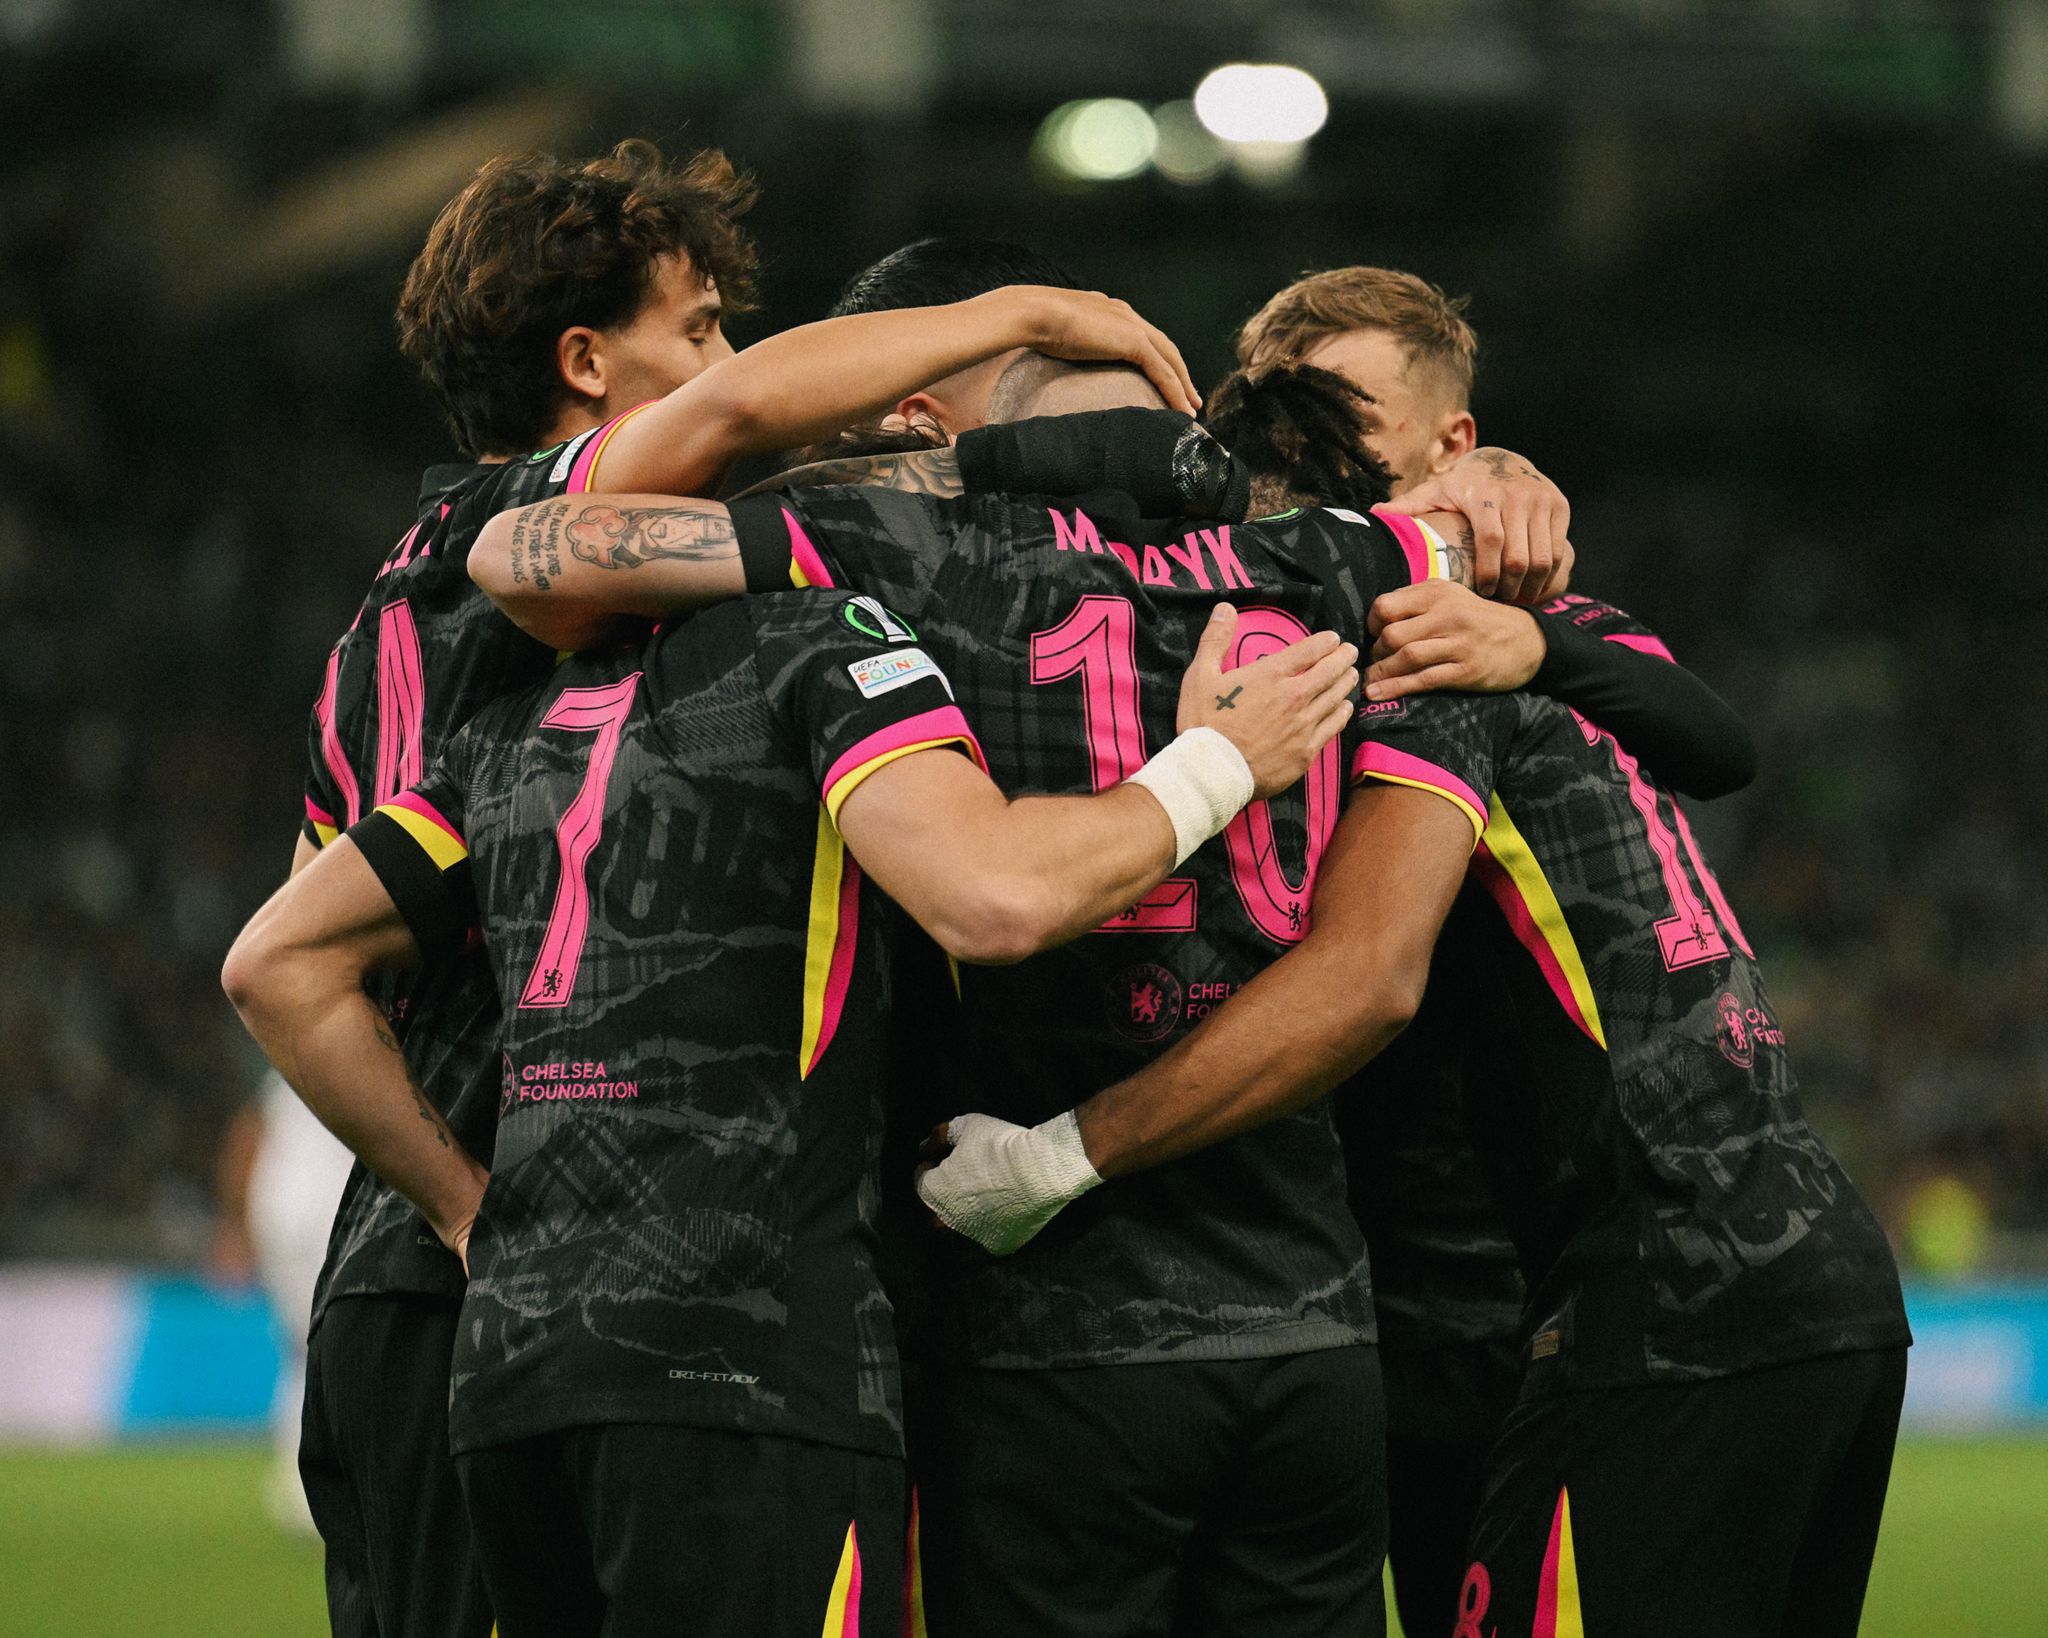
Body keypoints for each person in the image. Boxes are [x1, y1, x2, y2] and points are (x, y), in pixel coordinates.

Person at [467, 337, 1755, 1635]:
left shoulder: (915, 548)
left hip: (1053, 1324)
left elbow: (533, 549)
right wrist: (1506, 478)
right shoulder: (1330, 557)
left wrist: (956, 461)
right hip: (1305, 1322)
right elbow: (1606, 650)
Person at [290, 139, 1202, 1638]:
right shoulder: (515, 543)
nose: (733, 360)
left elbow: (299, 962)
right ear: (585, 363)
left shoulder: (377, 623)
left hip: (412, 1302)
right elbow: (744, 413)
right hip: (541, 1266)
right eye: (700, 322)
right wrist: (1036, 309)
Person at [918, 370, 1910, 1638]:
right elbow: (1719, 748)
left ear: (1443, 448)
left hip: (1653, 1300)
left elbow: (1364, 977)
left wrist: (1057, 1156)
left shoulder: (1431, 651)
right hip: (1781, 1273)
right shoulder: (1582, 636)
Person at [227, 570, 1358, 1636]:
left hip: (517, 1370)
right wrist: (1213, 762)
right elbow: (1000, 897)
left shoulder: (511, 719)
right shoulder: (822, 644)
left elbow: (275, 964)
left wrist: (467, 1212)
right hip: (745, 1351)